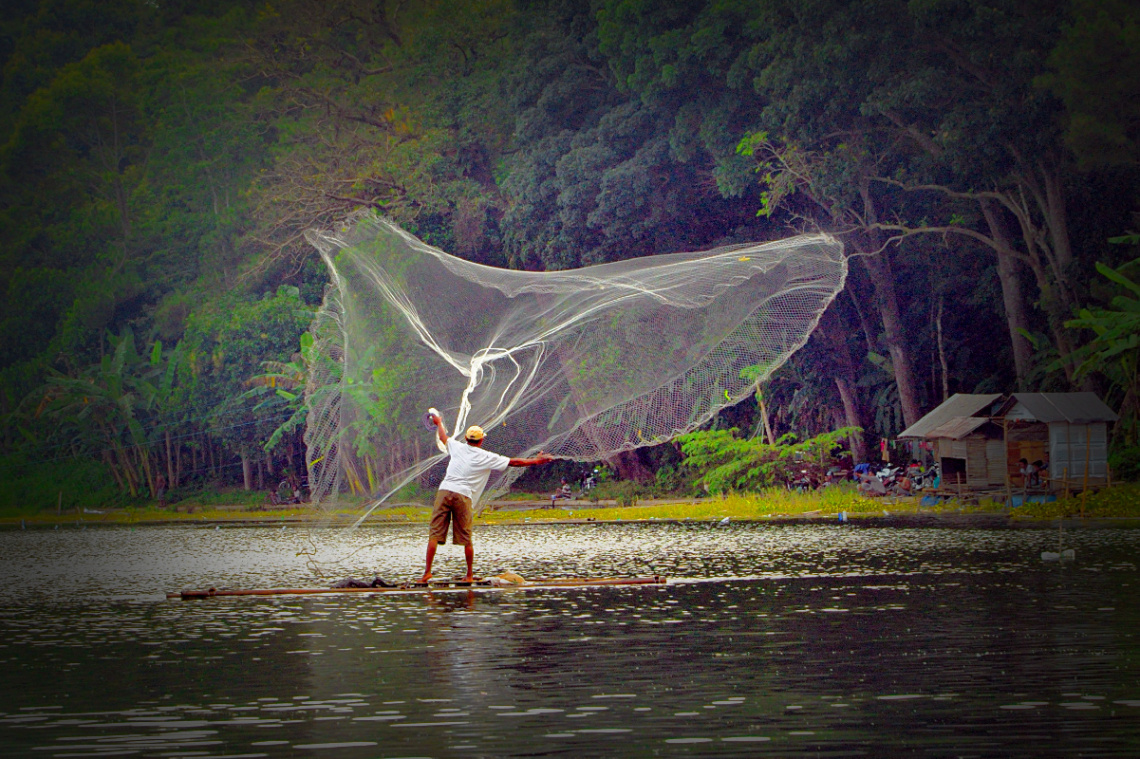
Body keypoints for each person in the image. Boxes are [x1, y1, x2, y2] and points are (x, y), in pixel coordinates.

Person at [421, 412, 553, 583]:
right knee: (466, 538)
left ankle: (427, 574)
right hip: (463, 495)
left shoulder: (456, 446)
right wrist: (536, 461)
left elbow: (443, 436)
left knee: (434, 535)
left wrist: (438, 422)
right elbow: (515, 462)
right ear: (481, 440)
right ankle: (468, 575)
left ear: (467, 439)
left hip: (444, 490)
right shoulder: (486, 456)